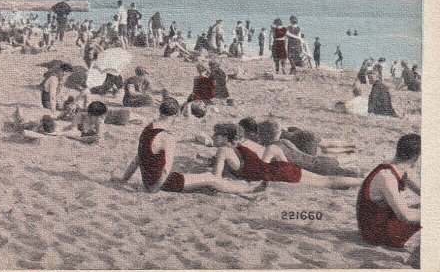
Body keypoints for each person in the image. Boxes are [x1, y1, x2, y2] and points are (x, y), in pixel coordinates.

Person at [119, 102, 263, 195]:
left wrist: (124, 179)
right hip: (161, 182)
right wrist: (154, 189)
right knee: (212, 180)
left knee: (208, 177)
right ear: (177, 115)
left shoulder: (148, 129)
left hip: (150, 179)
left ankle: (242, 189)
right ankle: (249, 190)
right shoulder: (167, 137)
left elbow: (138, 158)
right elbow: (165, 169)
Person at [212, 120, 361, 188]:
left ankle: (363, 181)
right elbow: (273, 149)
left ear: (225, 137)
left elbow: (217, 179)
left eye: (216, 135)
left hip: (278, 174)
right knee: (328, 180)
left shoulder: (226, 151)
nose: (213, 137)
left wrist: (261, 172)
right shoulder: (246, 144)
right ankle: (362, 181)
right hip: (282, 166)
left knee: (328, 182)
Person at [357, 134, 421, 248]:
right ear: (416, 157)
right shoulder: (387, 176)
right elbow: (405, 216)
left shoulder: (397, 168)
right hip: (375, 232)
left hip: (380, 221)